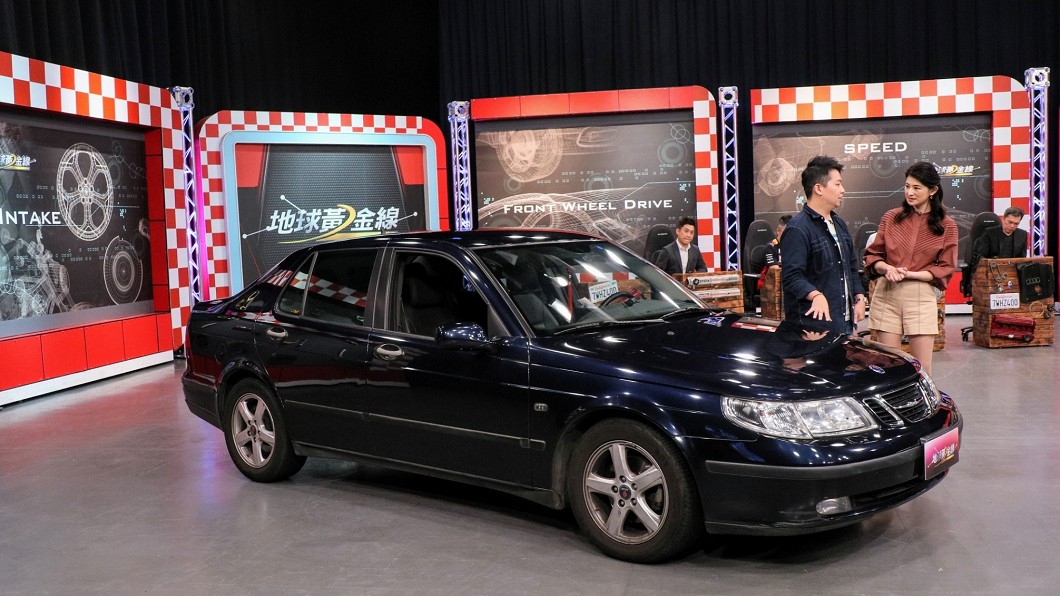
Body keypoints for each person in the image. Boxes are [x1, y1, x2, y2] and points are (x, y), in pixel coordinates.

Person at [864, 162, 958, 376]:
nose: (910, 192)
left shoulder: (947, 225)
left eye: (917, 188)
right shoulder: (891, 217)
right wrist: (887, 268)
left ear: (932, 190)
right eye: (907, 186)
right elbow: (872, 256)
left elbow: (946, 267)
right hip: (887, 292)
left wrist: (910, 274)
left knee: (921, 371)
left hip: (920, 294)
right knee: (889, 368)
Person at [779, 156, 866, 335]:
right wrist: (815, 295)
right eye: (837, 184)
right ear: (818, 188)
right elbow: (791, 276)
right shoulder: (798, 229)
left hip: (843, 322)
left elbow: (851, 266)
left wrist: (859, 296)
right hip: (812, 326)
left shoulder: (839, 224)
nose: (842, 190)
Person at [757, 214, 791, 291]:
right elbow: (774, 269)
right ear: (778, 231)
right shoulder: (770, 247)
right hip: (775, 286)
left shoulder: (795, 246)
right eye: (788, 231)